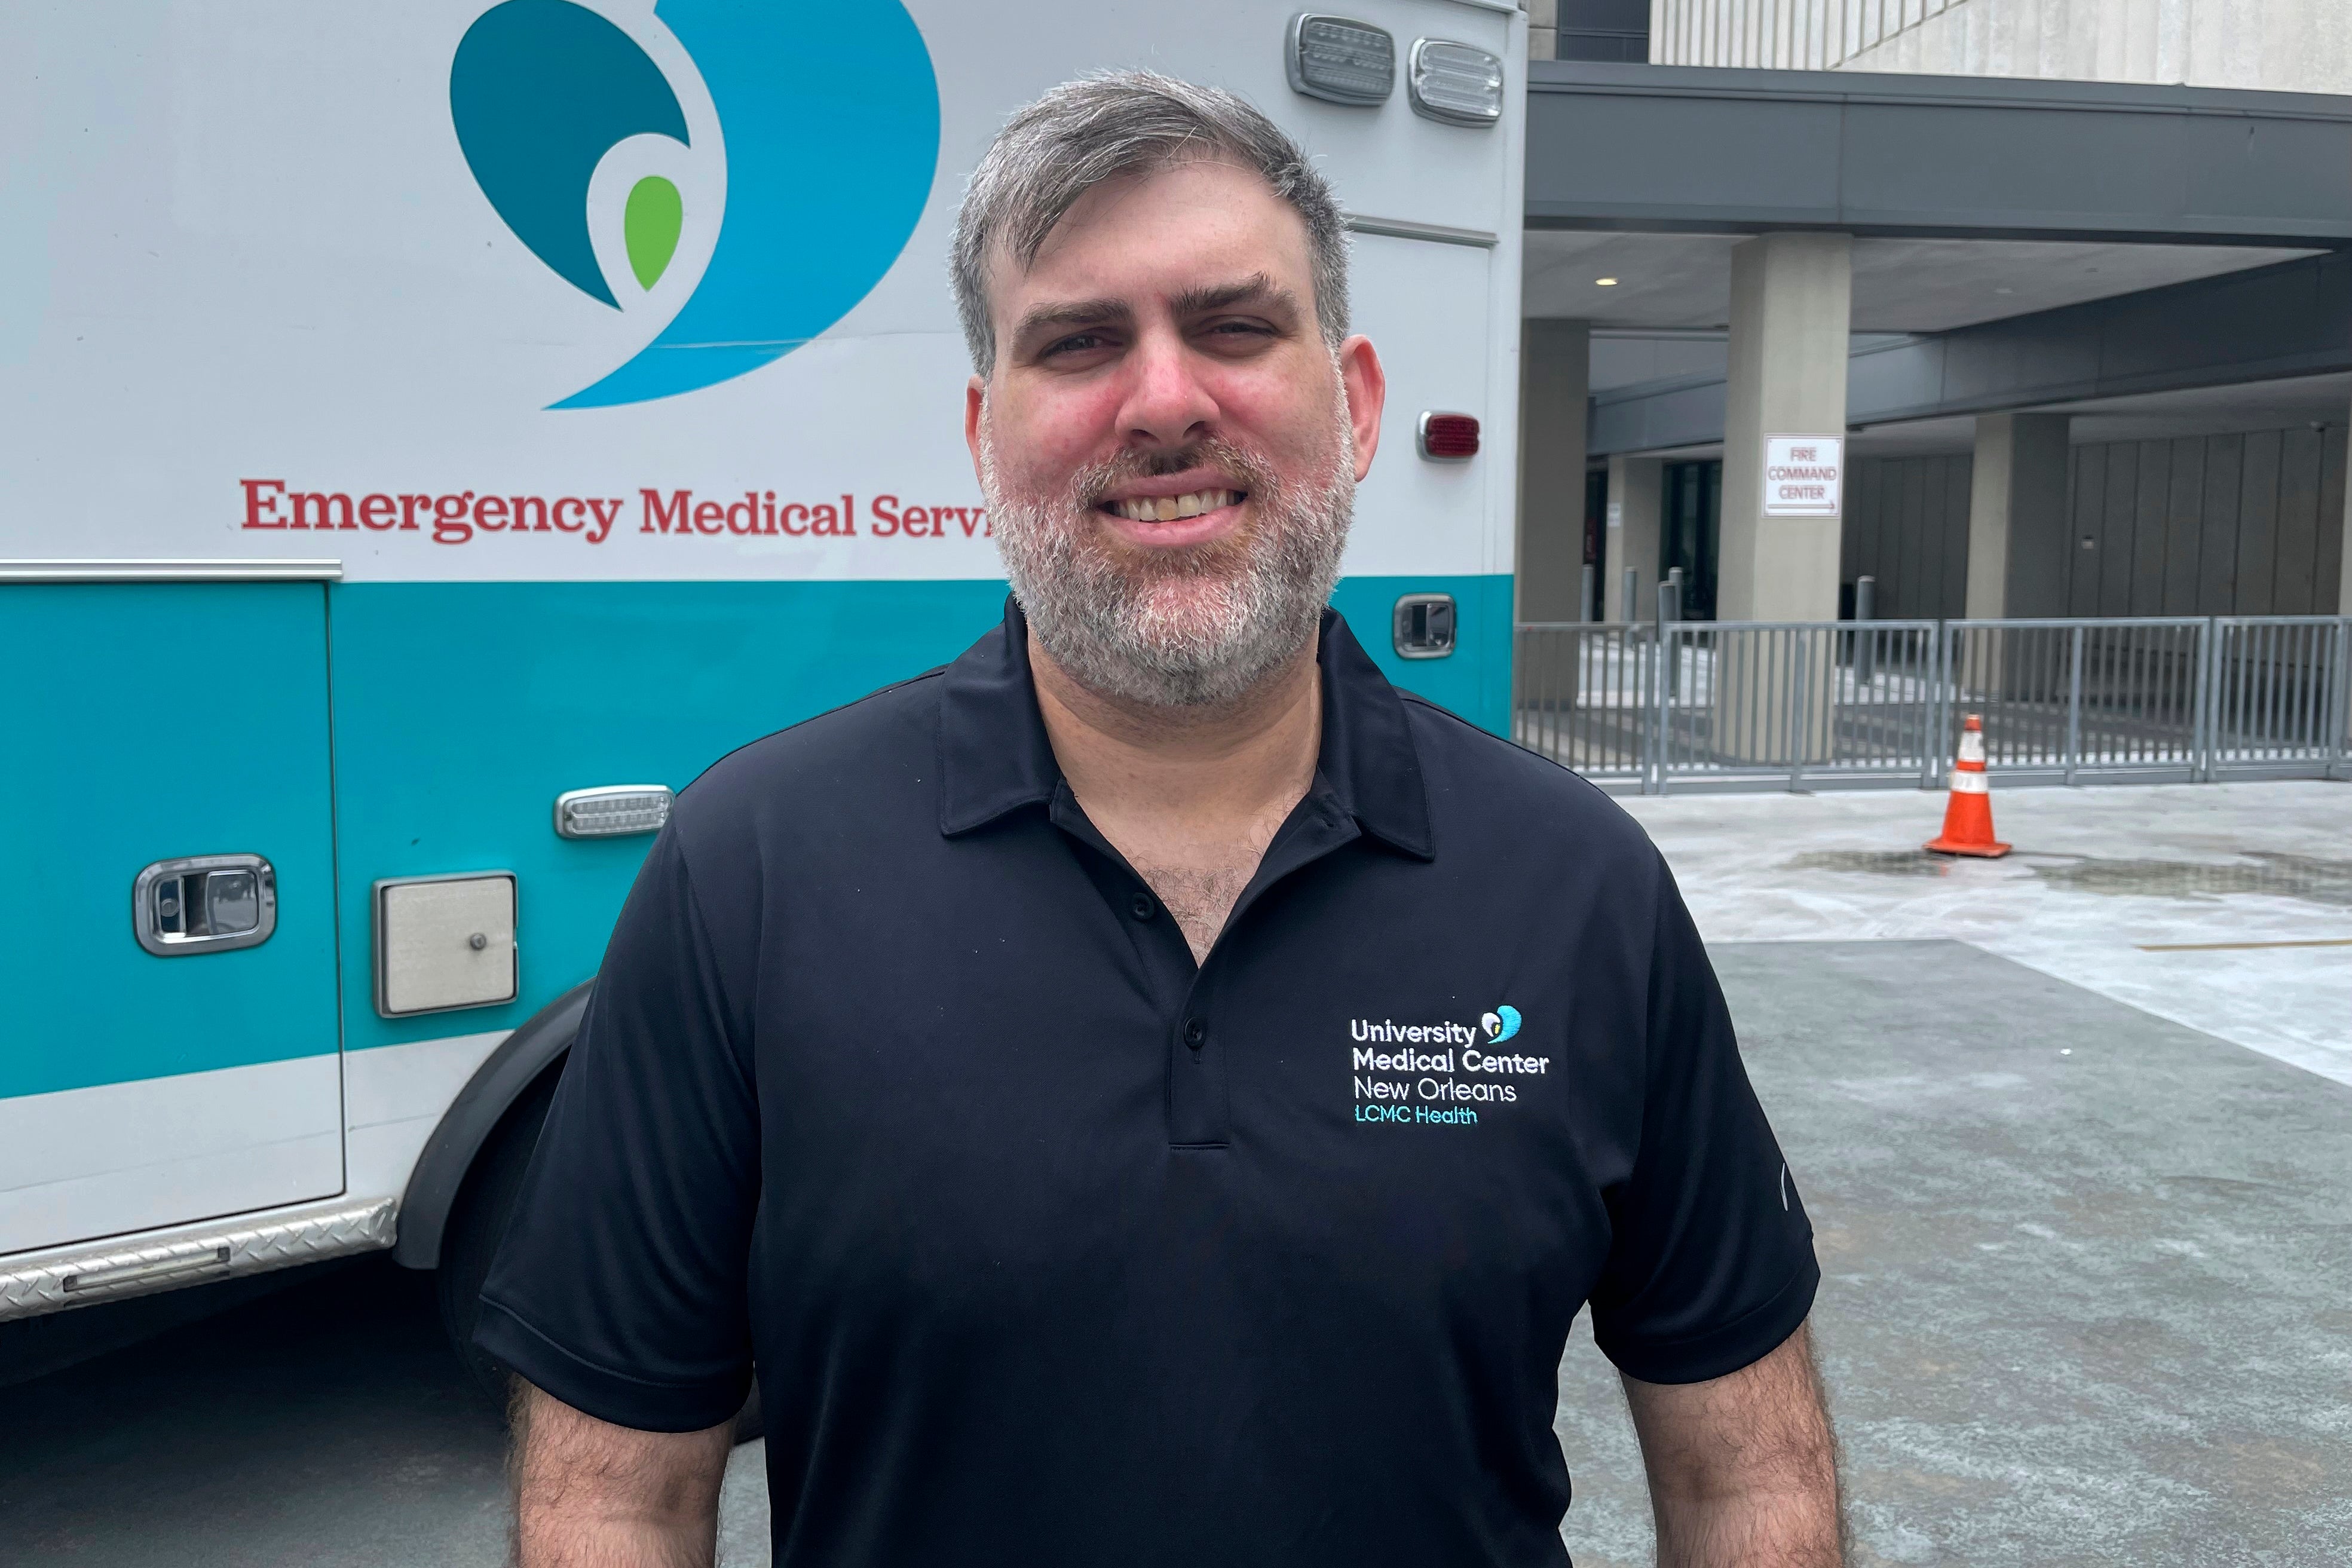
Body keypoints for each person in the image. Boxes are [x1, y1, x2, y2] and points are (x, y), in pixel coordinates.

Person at [480, 72, 1842, 1567]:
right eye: (1078, 342)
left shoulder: (1580, 886)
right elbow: (617, 1497)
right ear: (987, 434)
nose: (1168, 399)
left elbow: (1746, 1477)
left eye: (1237, 326)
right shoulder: (747, 875)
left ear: (1359, 400)